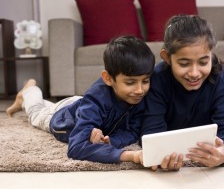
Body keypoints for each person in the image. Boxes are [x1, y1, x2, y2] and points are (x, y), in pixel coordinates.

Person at [5, 35, 155, 164]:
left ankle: (28, 95)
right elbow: (76, 148)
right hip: (63, 117)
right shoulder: (96, 100)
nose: (140, 90)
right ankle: (29, 91)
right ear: (108, 78)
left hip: (79, 104)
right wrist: (129, 155)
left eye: (145, 81)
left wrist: (111, 142)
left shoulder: (137, 96)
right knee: (37, 113)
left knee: (59, 107)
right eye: (130, 83)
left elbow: (132, 131)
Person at [141, 15, 224, 170]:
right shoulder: (158, 78)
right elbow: (151, 132)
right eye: (184, 64)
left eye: (203, 62)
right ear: (167, 57)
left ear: (211, 55)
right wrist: (161, 155)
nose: (194, 73)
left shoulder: (221, 76)